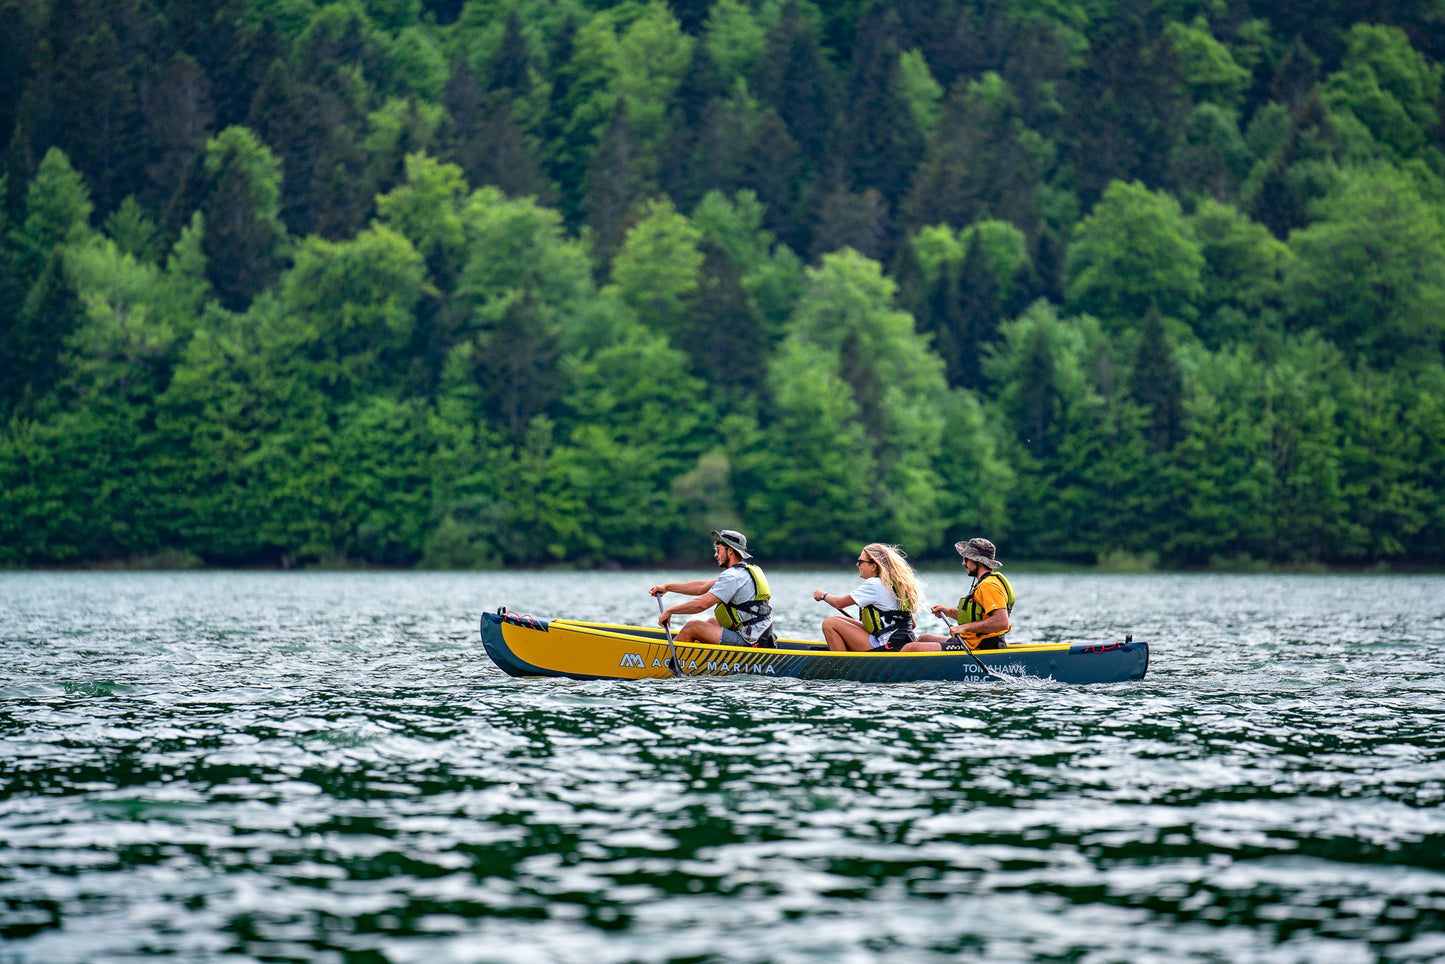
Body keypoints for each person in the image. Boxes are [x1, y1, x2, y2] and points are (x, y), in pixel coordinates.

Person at [651, 529, 776, 648]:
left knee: (692, 626)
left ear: (730, 551)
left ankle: (665, 661)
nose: (715, 555)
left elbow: (702, 604)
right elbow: (702, 587)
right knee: (711, 622)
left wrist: (670, 611)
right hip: (761, 636)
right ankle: (694, 661)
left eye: (718, 550)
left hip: (750, 640)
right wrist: (667, 587)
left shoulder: (732, 576)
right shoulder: (741, 573)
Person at [901, 537, 1014, 653]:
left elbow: (1002, 622)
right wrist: (949, 612)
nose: (963, 563)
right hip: (972, 641)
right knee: (923, 638)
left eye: (966, 559)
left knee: (910, 649)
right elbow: (977, 617)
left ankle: (890, 671)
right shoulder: (984, 583)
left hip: (979, 646)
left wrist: (962, 628)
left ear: (978, 561)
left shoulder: (988, 586)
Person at [812, 543, 922, 651]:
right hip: (902, 641)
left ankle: (842, 666)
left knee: (830, 623)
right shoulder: (896, 584)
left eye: (861, 561)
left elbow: (839, 603)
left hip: (888, 646)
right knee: (838, 619)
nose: (857, 565)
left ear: (874, 566)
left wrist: (823, 595)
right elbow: (913, 624)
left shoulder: (875, 584)